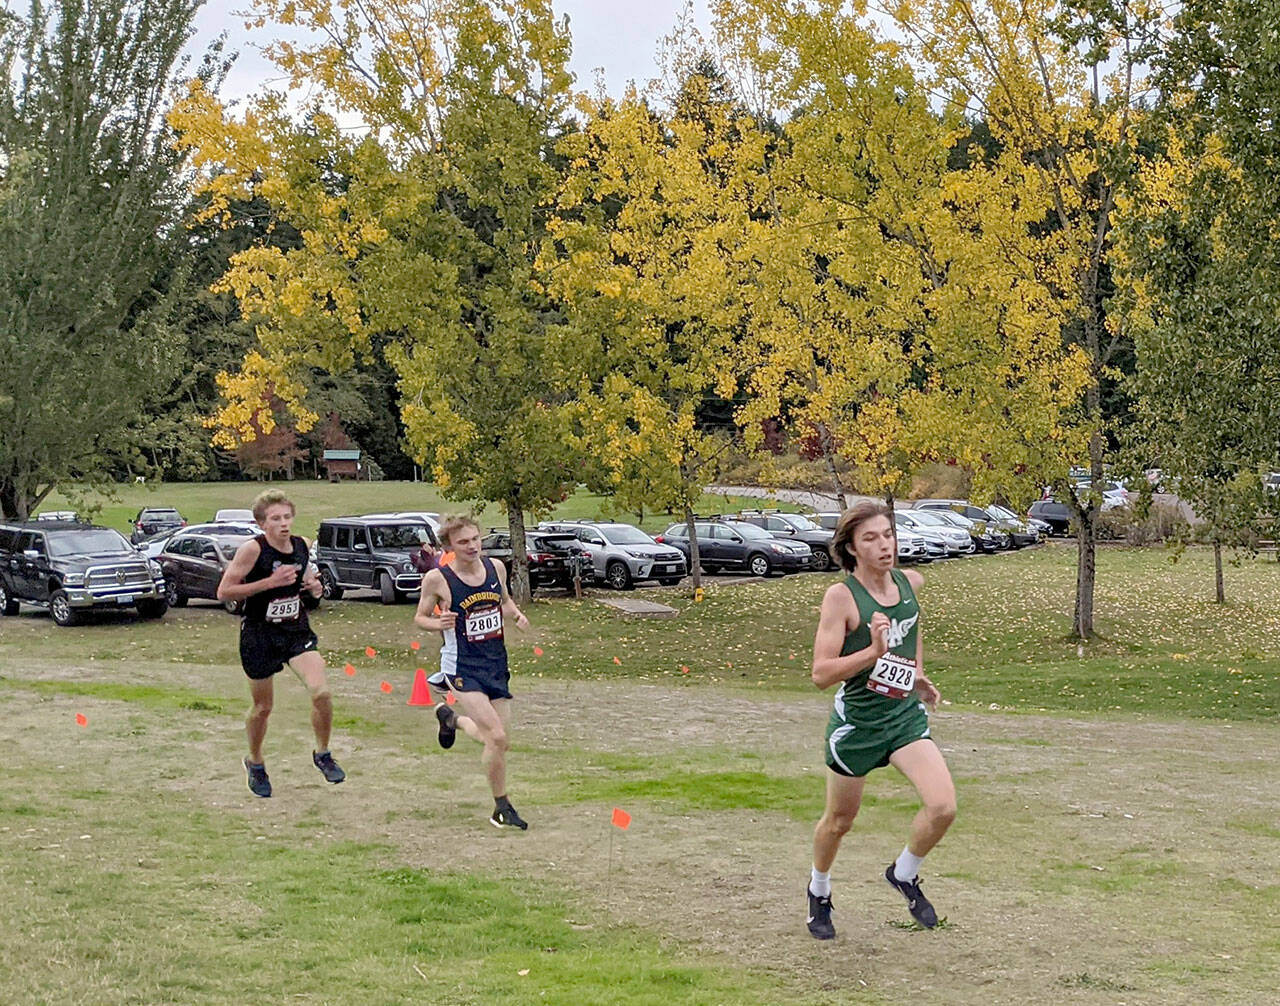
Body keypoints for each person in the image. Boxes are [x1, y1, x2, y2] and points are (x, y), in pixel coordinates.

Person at [805, 500, 954, 939]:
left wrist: (918, 673)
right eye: (870, 538)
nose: (884, 544)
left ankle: (904, 873)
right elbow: (819, 674)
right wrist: (871, 654)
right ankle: (819, 890)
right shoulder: (842, 598)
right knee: (839, 821)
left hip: (903, 719)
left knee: (943, 806)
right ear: (850, 548)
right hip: (859, 728)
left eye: (887, 534)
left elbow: (912, 624)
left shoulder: (909, 582)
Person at [217, 489, 345, 798]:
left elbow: (309, 582)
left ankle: (323, 753)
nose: (284, 524)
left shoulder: (301, 546)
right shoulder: (253, 550)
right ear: (262, 523)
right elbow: (224, 592)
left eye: (287, 517)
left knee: (321, 692)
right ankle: (255, 761)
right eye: (276, 519)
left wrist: (313, 587)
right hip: (259, 634)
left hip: (295, 631)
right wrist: (268, 584)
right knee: (263, 707)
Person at [414, 515, 530, 829]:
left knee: (499, 741)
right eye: (463, 541)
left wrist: (516, 615)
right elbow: (420, 618)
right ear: (449, 546)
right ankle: (501, 807)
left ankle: (451, 720)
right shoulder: (438, 579)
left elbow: (503, 601)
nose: (472, 546)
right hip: (462, 666)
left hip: (495, 663)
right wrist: (439, 623)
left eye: (475, 539)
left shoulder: (496, 568)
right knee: (496, 735)